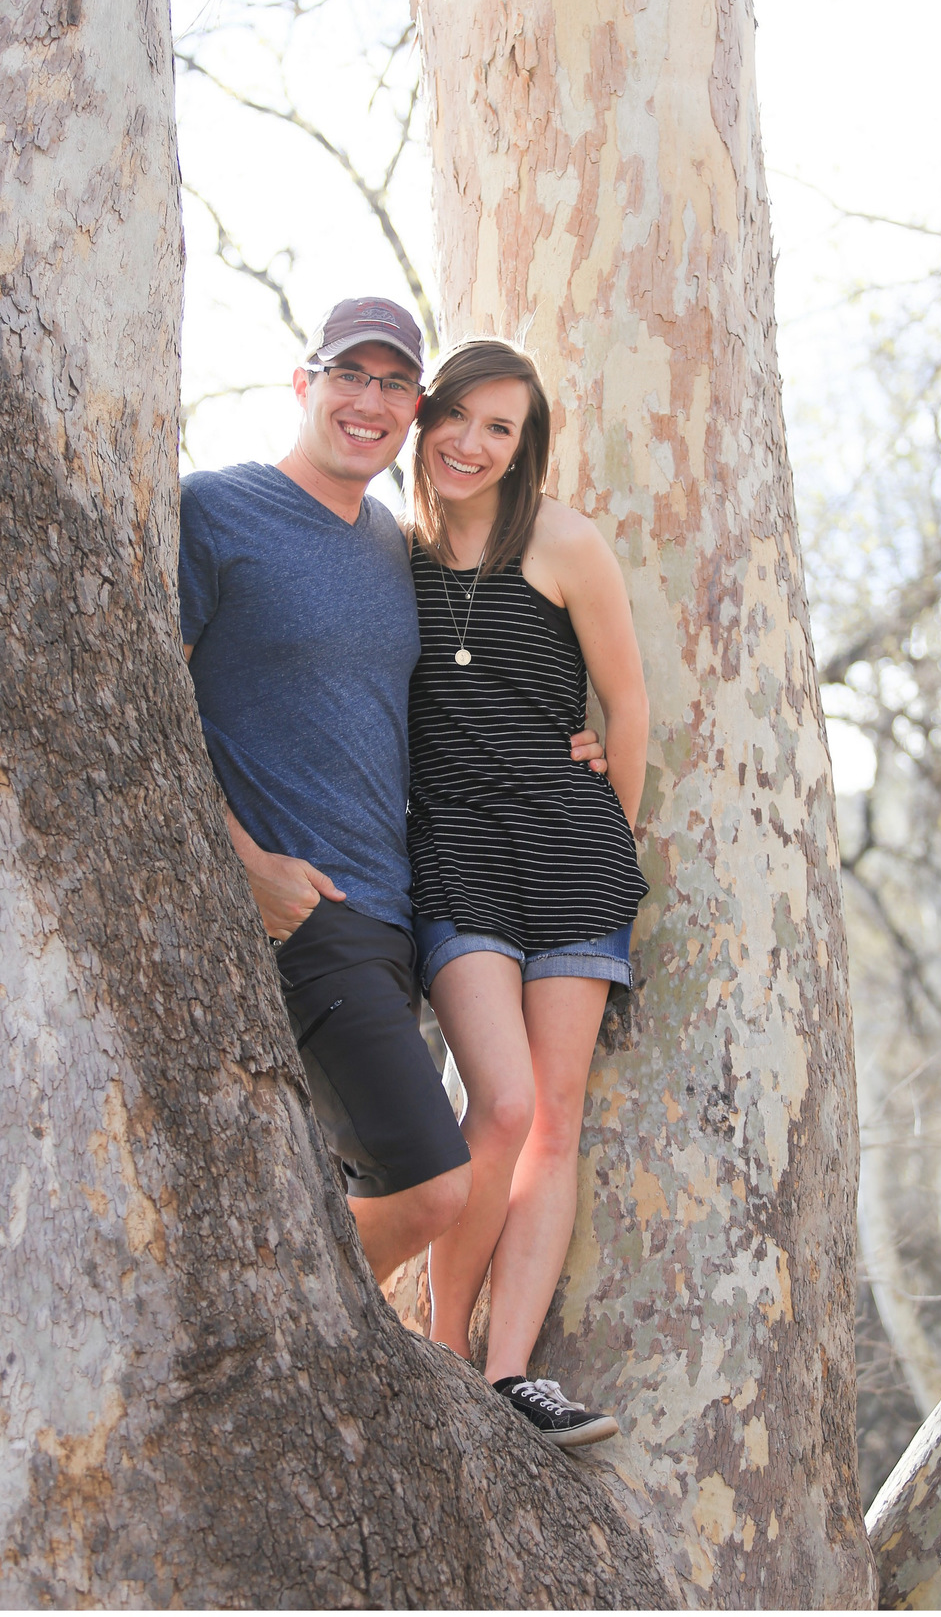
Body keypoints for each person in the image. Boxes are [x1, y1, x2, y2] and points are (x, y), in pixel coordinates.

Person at [177, 297, 605, 1287]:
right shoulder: (214, 510)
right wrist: (241, 866)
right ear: (304, 383)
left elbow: (469, 687)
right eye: (347, 375)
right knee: (431, 1188)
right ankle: (271, 1317)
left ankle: (337, 1349)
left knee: (371, 1174)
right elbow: (145, 703)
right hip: (303, 910)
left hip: (402, 915)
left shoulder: (395, 547)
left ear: (414, 411)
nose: (368, 400)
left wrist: (576, 742)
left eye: (393, 383)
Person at [403, 337, 650, 1449]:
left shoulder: (562, 540)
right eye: (457, 415)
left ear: (523, 445)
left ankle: (509, 1376)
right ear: (425, 416)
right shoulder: (385, 545)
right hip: (453, 856)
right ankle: (440, 1349)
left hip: (571, 856)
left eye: (499, 427)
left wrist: (615, 830)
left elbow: (626, 700)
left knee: (554, 1123)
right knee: (495, 1109)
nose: (471, 441)